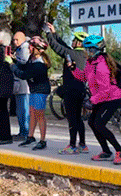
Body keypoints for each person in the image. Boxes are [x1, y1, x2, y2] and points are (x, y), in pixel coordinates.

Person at [70, 35, 121, 165]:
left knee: (99, 124)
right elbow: (84, 76)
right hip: (101, 98)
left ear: (93, 50)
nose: (85, 52)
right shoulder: (91, 63)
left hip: (112, 98)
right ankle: (106, 152)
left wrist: (92, 100)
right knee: (92, 122)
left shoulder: (101, 65)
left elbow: (106, 89)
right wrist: (74, 69)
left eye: (87, 49)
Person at [45, 23, 90, 155]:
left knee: (72, 119)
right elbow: (65, 47)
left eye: (74, 40)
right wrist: (55, 33)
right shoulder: (82, 55)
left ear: (79, 43)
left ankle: (72, 145)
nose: (72, 42)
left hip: (71, 92)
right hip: (80, 90)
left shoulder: (73, 54)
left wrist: (48, 34)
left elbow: (58, 48)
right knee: (78, 118)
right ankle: (82, 144)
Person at [11, 36, 51, 150]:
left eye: (30, 46)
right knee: (32, 113)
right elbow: (24, 66)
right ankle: (30, 137)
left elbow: (24, 74)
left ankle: (43, 140)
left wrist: (12, 66)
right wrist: (14, 60)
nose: (28, 47)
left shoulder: (39, 64)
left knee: (40, 115)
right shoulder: (32, 60)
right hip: (34, 90)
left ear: (36, 48)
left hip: (40, 91)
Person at [11, 32, 31, 142]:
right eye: (13, 40)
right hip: (18, 84)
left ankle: (26, 133)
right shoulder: (18, 49)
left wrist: (13, 61)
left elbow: (24, 62)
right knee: (19, 111)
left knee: (24, 110)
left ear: (22, 39)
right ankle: (22, 131)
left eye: (16, 40)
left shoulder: (25, 48)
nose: (15, 42)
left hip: (25, 85)